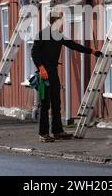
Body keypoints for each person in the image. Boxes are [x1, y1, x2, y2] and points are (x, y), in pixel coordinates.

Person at [31, 11, 103, 143]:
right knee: (45, 104)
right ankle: (43, 133)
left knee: (56, 103)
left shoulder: (58, 35)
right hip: (43, 75)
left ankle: (57, 131)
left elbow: (73, 45)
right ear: (55, 21)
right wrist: (41, 68)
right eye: (60, 20)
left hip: (53, 72)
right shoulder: (42, 34)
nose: (62, 22)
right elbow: (34, 53)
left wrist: (92, 51)